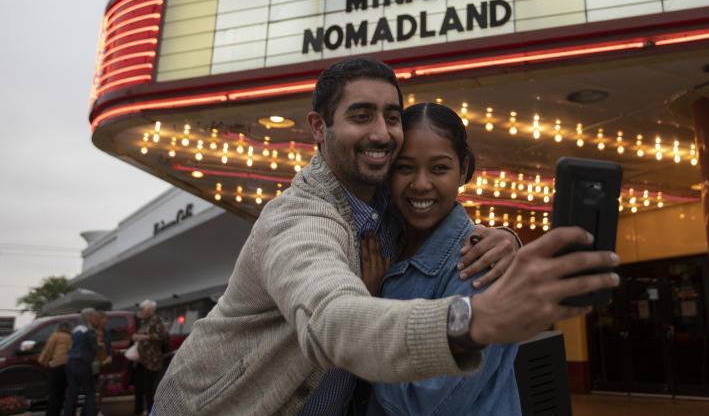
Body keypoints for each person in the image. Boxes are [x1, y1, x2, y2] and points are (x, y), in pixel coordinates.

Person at [154, 57, 619, 415]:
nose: (381, 133)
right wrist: (474, 319)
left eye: (391, 116)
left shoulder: (388, 211)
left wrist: (505, 238)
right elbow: (331, 319)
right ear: (319, 127)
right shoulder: (298, 220)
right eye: (361, 115)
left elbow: (437, 214)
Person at [362, 103, 522, 415]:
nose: (421, 184)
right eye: (405, 167)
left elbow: (426, 403)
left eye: (439, 168)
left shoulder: (480, 265)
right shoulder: (382, 242)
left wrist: (367, 309)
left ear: (463, 169)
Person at [63, 308, 106, 416]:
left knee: (72, 393)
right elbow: (94, 348)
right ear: (89, 318)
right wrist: (100, 346)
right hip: (83, 364)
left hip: (70, 363)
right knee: (90, 392)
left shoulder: (75, 330)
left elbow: (70, 347)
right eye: (94, 317)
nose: (96, 319)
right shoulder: (89, 330)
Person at [132, 300, 166, 414]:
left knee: (151, 388)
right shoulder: (144, 322)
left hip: (152, 361)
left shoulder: (156, 320)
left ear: (149, 311)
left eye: (143, 309)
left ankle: (152, 412)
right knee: (142, 388)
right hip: (143, 361)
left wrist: (143, 337)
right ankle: (142, 410)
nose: (141, 312)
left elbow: (161, 336)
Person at [38, 321, 72, 416]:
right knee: (65, 393)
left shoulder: (55, 336)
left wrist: (43, 361)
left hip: (57, 366)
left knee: (54, 393)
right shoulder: (71, 337)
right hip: (70, 366)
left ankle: (52, 413)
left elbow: (48, 350)